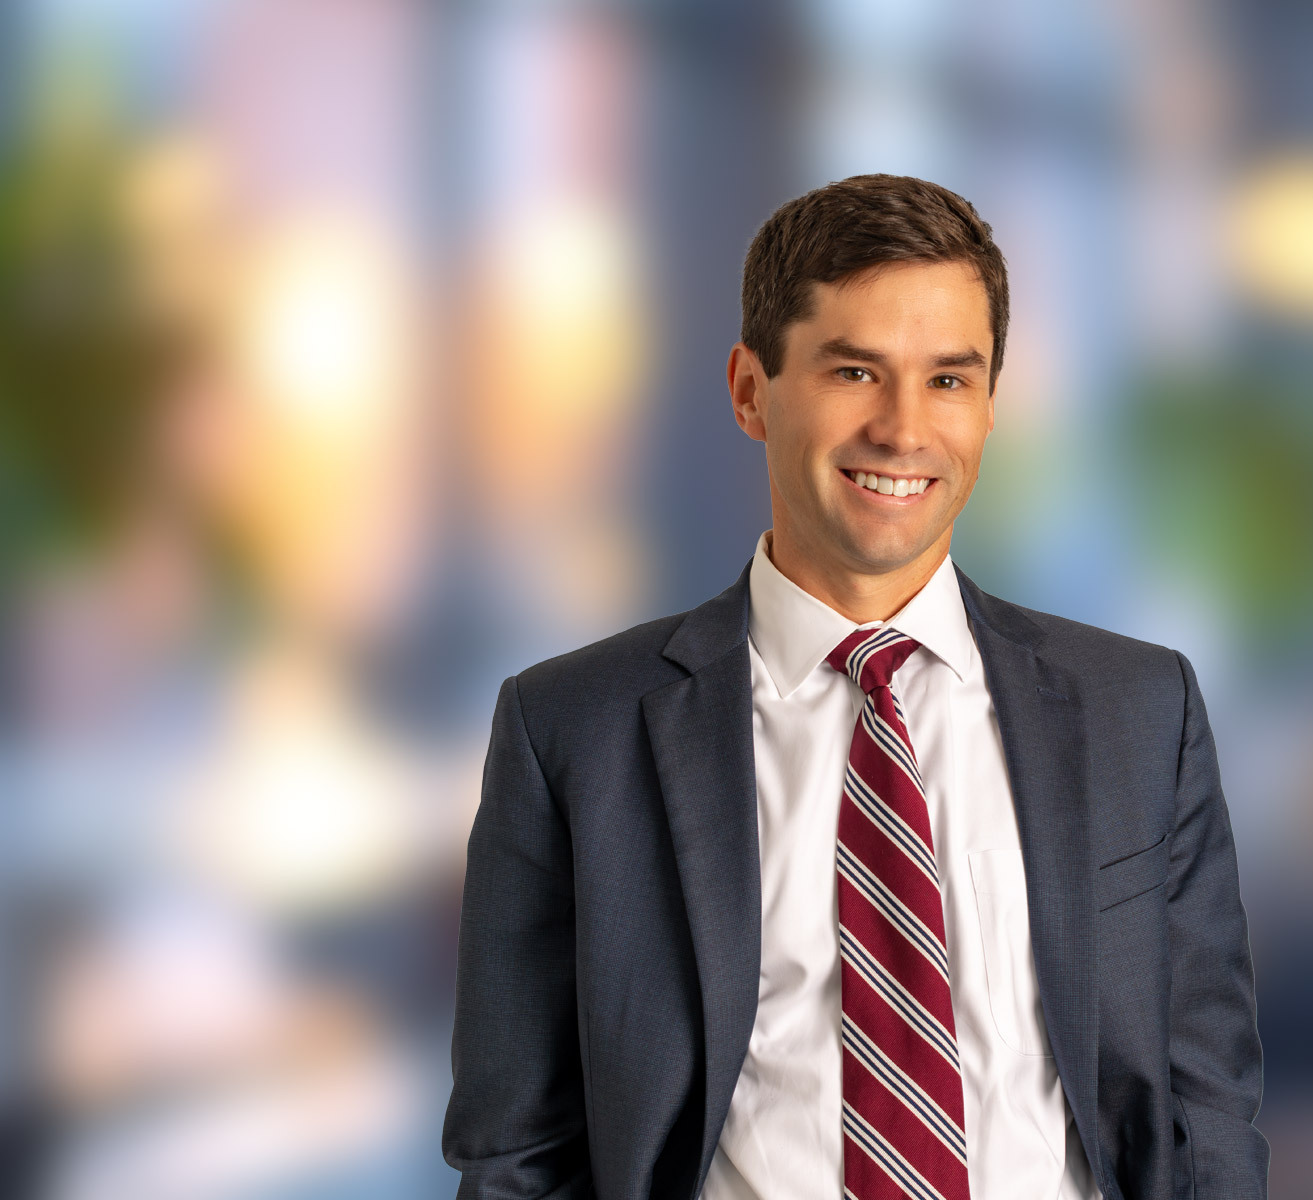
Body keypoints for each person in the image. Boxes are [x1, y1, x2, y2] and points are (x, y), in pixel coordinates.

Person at [441, 175, 1267, 1200]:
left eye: (949, 379)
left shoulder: (1140, 709)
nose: (904, 428)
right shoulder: (573, 730)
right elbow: (517, 1153)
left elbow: (1207, 1104)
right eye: (855, 372)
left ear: (991, 405)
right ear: (751, 390)